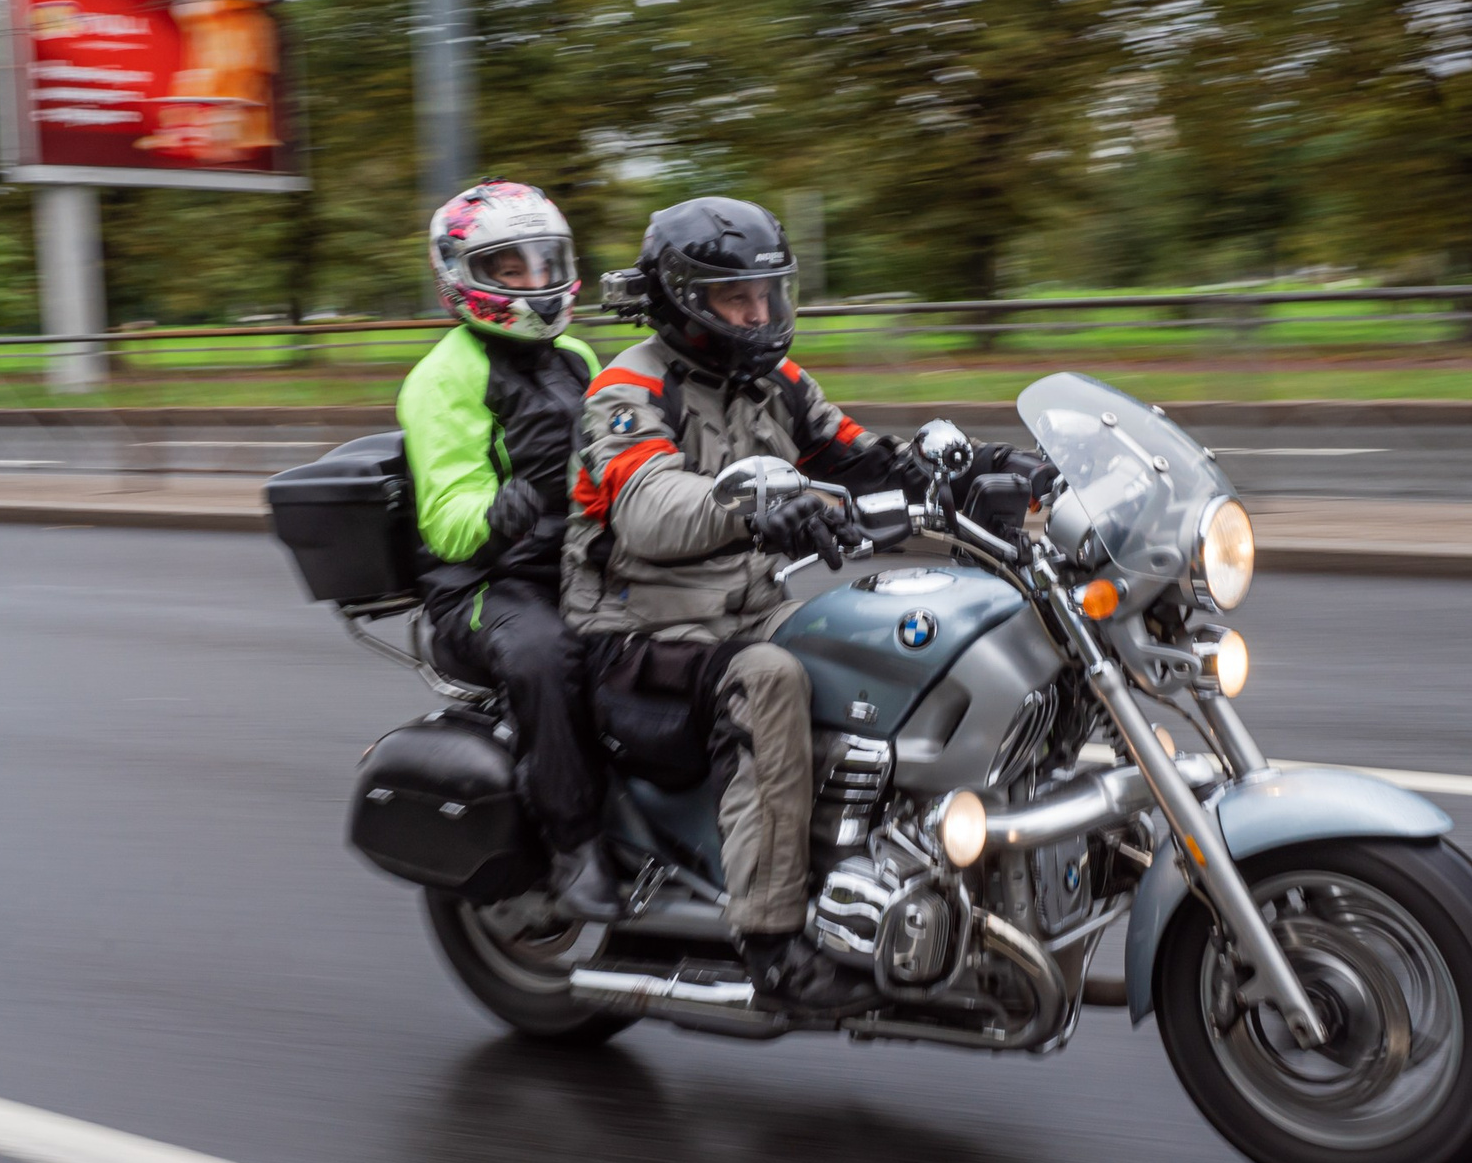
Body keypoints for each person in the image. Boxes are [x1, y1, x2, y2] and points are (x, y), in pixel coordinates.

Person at [564, 196, 1040, 1017]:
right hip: (636, 632)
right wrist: (747, 507)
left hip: (742, 608)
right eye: (735, 299)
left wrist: (981, 471)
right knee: (769, 679)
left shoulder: (774, 381)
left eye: (767, 293)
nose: (758, 312)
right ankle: (775, 939)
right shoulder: (626, 389)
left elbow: (858, 455)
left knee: (876, 647)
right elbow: (648, 503)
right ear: (682, 300)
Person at [399, 179, 619, 920]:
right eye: (510, 269)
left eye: (544, 262)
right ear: (462, 277)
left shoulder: (577, 355)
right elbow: (447, 522)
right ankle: (573, 841)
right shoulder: (442, 376)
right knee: (548, 656)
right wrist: (508, 504)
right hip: (487, 582)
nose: (535, 282)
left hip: (573, 558)